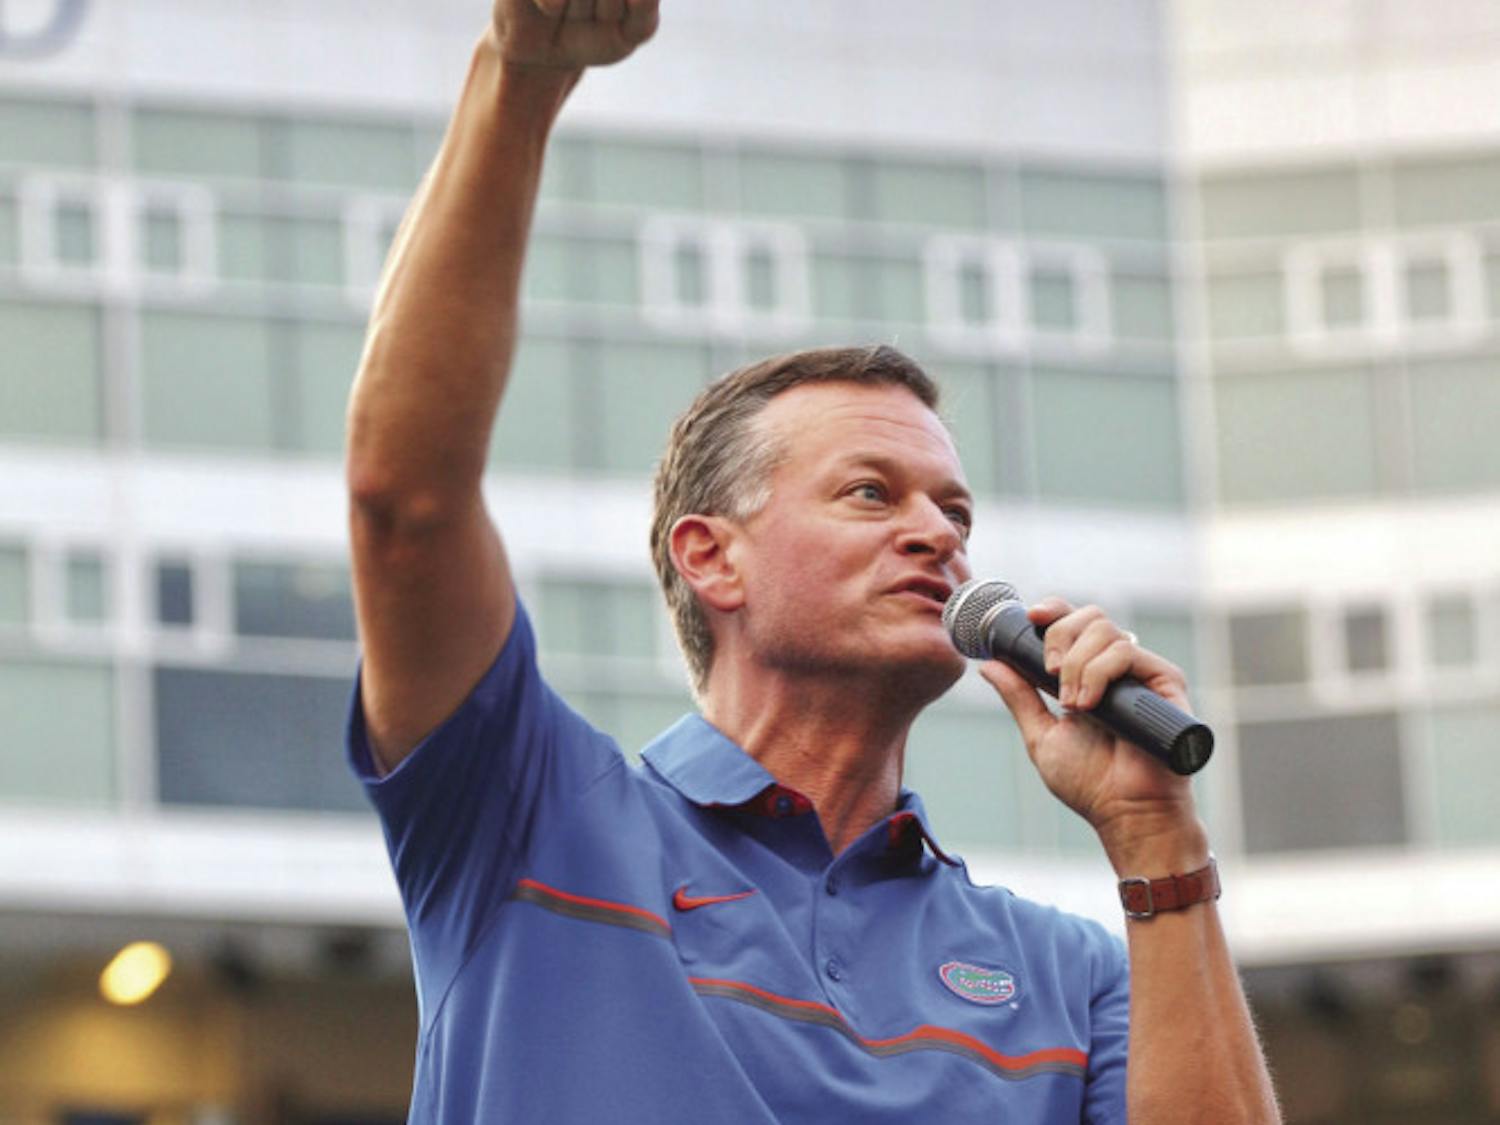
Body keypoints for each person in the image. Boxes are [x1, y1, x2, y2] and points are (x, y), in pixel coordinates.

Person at [342, 1, 1282, 1121]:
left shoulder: (1067, 977)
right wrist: (522, 78)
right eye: (870, 494)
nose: (937, 534)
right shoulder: (530, 816)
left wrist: (1154, 837)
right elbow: (407, 502)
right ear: (711, 560)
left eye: (955, 511)